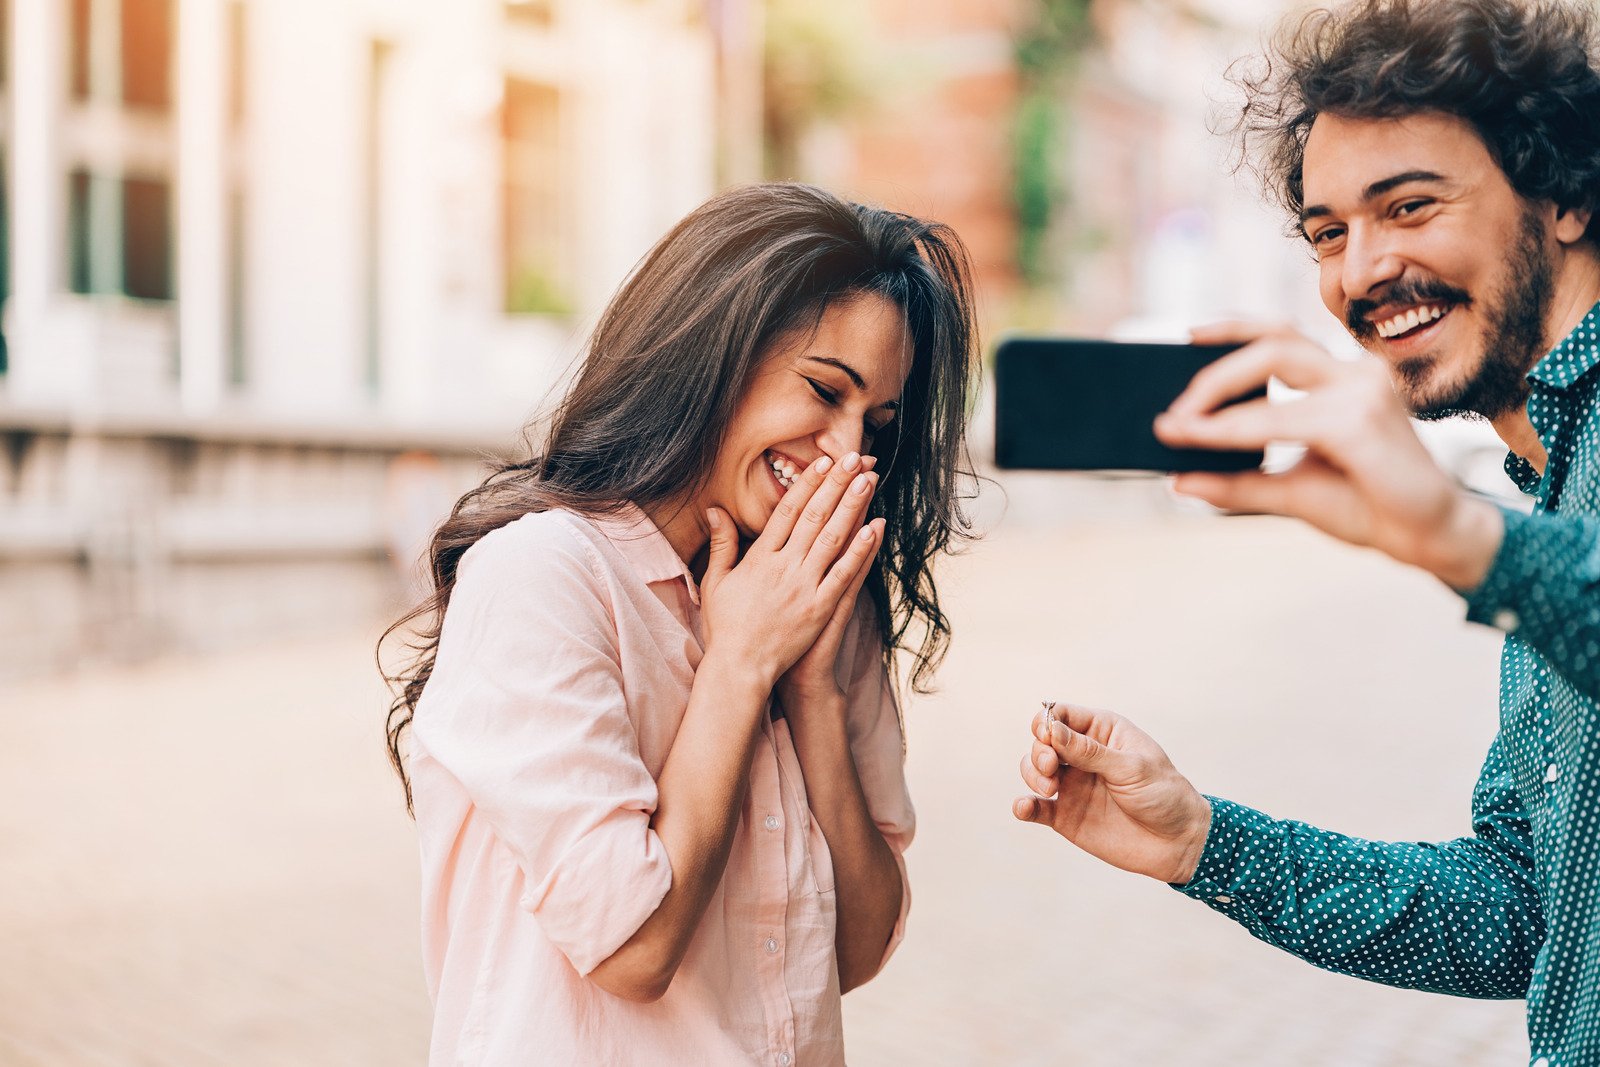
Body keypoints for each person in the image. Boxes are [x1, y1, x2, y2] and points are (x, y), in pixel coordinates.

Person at [1012, 1, 1600, 1063]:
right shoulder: (1543, 490)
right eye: (1327, 232)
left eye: (1407, 206)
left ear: (1561, 191)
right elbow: (1522, 910)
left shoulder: (1506, 533)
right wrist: (1200, 837)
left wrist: (1461, 538)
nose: (1359, 272)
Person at [380, 182, 978, 1065]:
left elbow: (861, 944)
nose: (849, 454)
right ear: (714, 354)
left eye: (877, 426)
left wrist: (809, 687)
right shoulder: (545, 575)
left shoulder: (822, 600)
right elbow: (633, 946)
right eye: (824, 389)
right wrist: (740, 665)